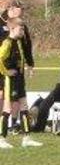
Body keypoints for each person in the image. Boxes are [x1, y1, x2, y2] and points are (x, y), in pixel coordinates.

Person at [0, 17, 42, 148]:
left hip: (19, 79)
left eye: (23, 29)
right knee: (7, 109)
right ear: (12, 28)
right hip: (10, 81)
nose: (23, 31)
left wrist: (28, 68)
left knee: (24, 107)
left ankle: (26, 138)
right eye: (20, 29)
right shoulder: (7, 43)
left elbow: (23, 57)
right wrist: (6, 72)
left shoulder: (19, 41)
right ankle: (2, 139)